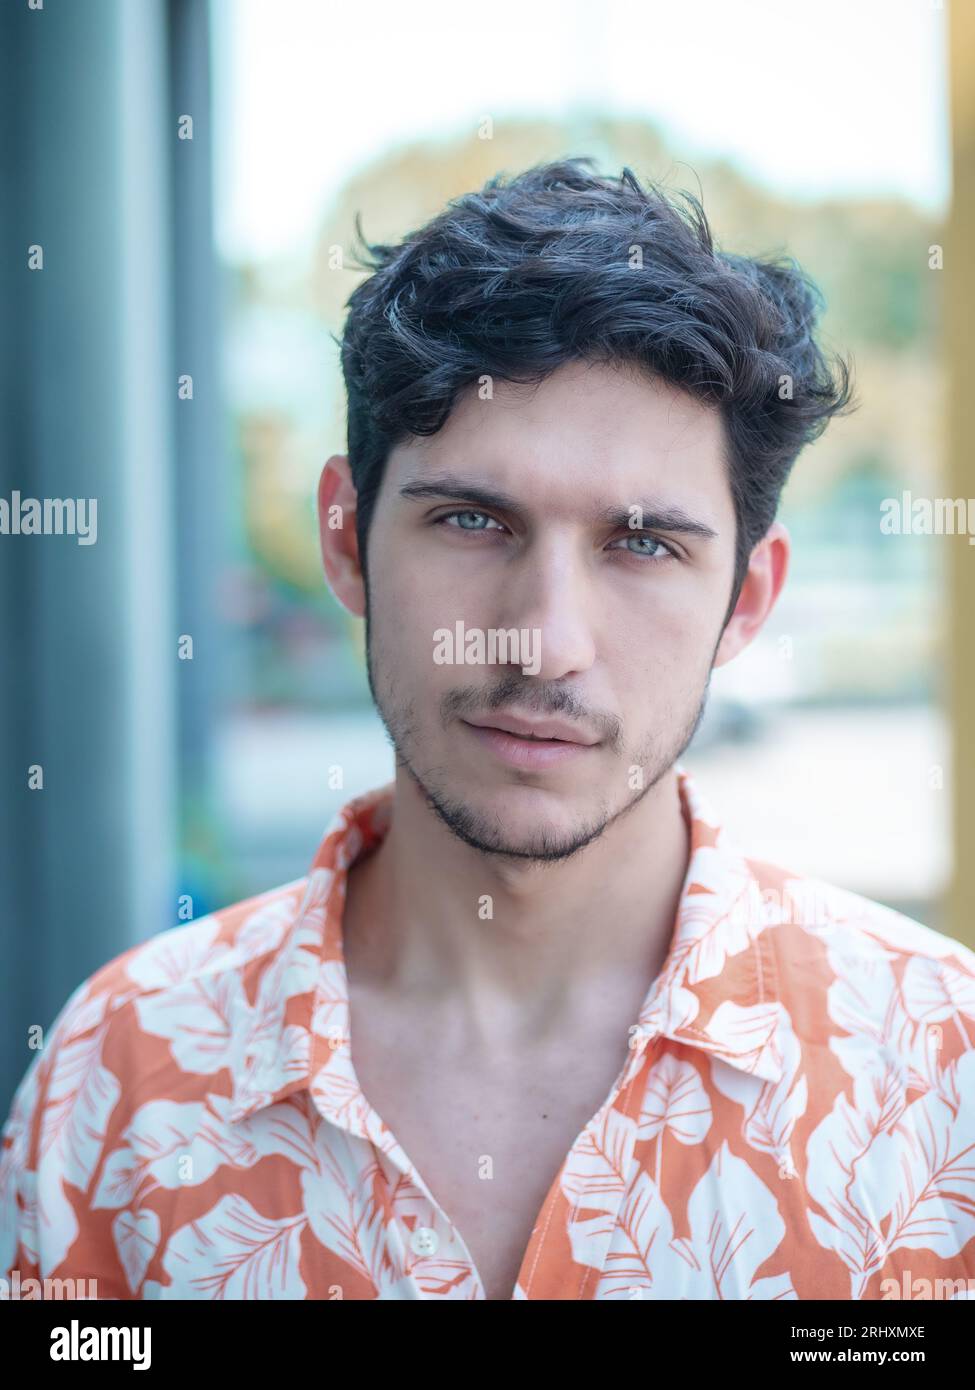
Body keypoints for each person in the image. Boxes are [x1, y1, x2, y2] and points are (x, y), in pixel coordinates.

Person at [3, 158, 974, 1302]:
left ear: (748, 600)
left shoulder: (939, 1078)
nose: (544, 642)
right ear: (348, 538)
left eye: (644, 544)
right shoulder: (121, 1074)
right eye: (473, 519)